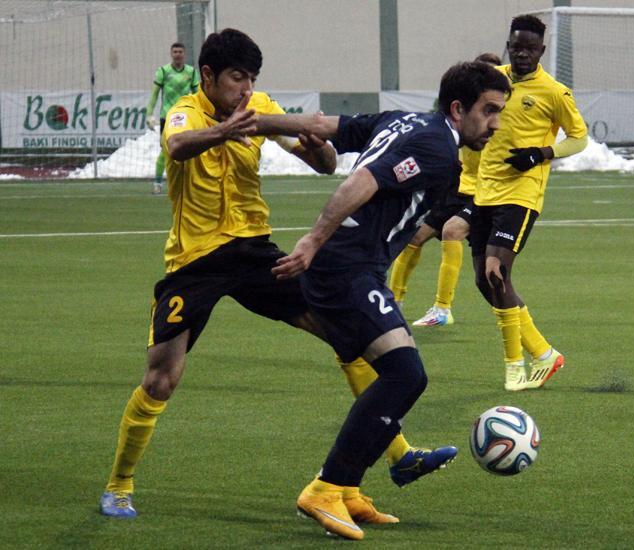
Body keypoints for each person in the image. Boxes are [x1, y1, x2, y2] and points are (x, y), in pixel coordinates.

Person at [99, 28, 455, 523]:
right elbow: (177, 145)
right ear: (208, 76)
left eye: (252, 79)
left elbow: (324, 164)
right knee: (162, 379)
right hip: (194, 264)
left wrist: (315, 149)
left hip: (254, 253)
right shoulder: (186, 109)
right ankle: (119, 484)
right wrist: (226, 131)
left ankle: (399, 455)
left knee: (344, 333)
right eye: (237, 78)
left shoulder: (259, 108)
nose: (246, 90)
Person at [252, 60, 511, 540]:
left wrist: (252, 122)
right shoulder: (437, 146)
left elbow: (320, 125)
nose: (495, 124)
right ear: (458, 109)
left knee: (397, 373)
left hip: (353, 266)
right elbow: (362, 181)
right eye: (490, 111)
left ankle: (348, 491)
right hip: (345, 267)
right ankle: (327, 487)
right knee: (405, 374)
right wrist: (312, 241)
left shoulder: (402, 120)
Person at [470, 14, 588, 391]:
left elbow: (579, 137)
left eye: (530, 49)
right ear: (508, 46)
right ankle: (543, 352)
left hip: (522, 192)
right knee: (483, 281)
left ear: (542, 51)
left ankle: (514, 366)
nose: (522, 54)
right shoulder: (491, 80)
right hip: (484, 190)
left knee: (496, 273)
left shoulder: (554, 92)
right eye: (516, 47)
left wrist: (542, 153)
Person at [389, 52, 502, 327]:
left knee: (452, 231)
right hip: (457, 185)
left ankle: (442, 309)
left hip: (484, 192)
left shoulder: (500, 121)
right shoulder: (467, 112)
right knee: (414, 236)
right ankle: (393, 301)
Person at [145, 42, 200, 194]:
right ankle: (158, 183)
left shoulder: (191, 72)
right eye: (175, 52)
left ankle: (188, 182)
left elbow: (198, 95)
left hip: (185, 117)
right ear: (171, 53)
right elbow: (154, 94)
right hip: (167, 117)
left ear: (184, 54)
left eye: (180, 52)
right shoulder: (163, 71)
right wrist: (149, 114)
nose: (178, 54)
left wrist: (202, 113)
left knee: (189, 150)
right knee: (166, 150)